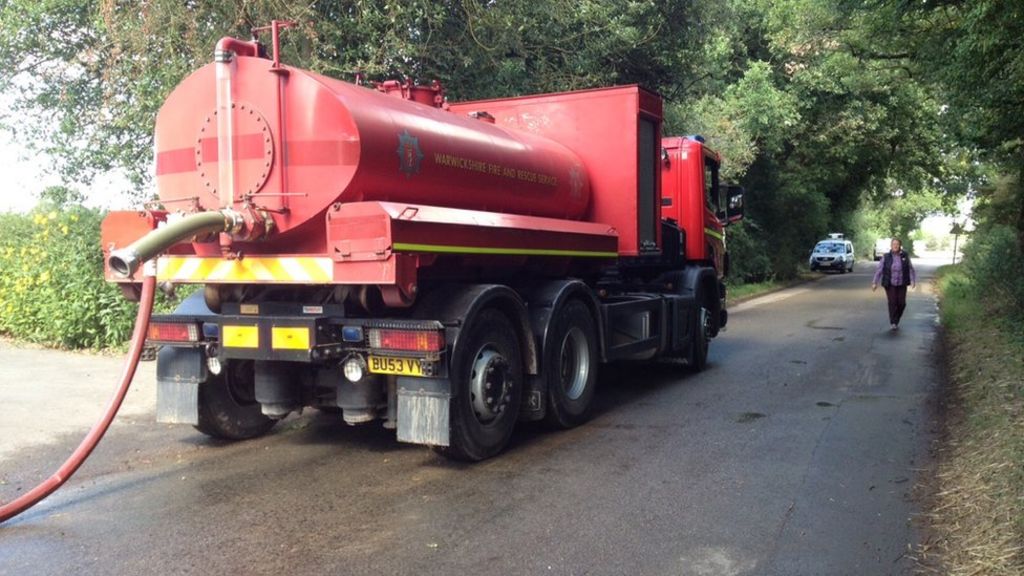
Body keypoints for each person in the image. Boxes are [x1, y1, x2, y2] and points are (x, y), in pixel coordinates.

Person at [871, 238, 916, 330]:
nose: (895, 246)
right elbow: (879, 270)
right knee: (892, 302)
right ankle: (893, 322)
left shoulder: (904, 255)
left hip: (902, 283)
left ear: (900, 246)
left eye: (897, 244)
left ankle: (896, 318)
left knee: (902, 303)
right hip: (890, 283)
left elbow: (910, 268)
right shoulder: (886, 257)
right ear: (891, 246)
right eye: (893, 244)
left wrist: (913, 280)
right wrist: (875, 282)